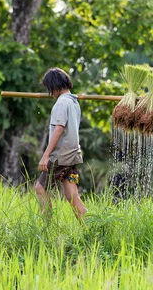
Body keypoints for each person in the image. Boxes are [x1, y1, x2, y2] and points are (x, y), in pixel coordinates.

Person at [35, 67, 87, 220]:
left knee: (40, 188)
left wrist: (46, 156)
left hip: (61, 156)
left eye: (49, 88)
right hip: (72, 156)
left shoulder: (61, 103)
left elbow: (59, 129)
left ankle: (47, 226)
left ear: (55, 85)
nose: (49, 93)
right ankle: (90, 229)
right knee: (72, 195)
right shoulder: (74, 101)